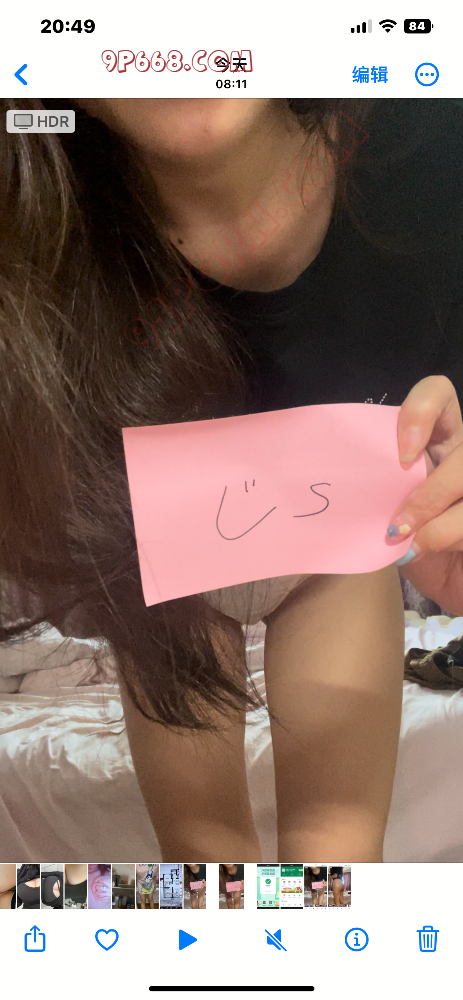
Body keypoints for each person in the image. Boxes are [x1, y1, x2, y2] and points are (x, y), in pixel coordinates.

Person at [1, 97, 463, 863]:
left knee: (334, 856)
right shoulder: (40, 221)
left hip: (325, 551)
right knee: (211, 860)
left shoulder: (426, 144)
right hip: (175, 562)